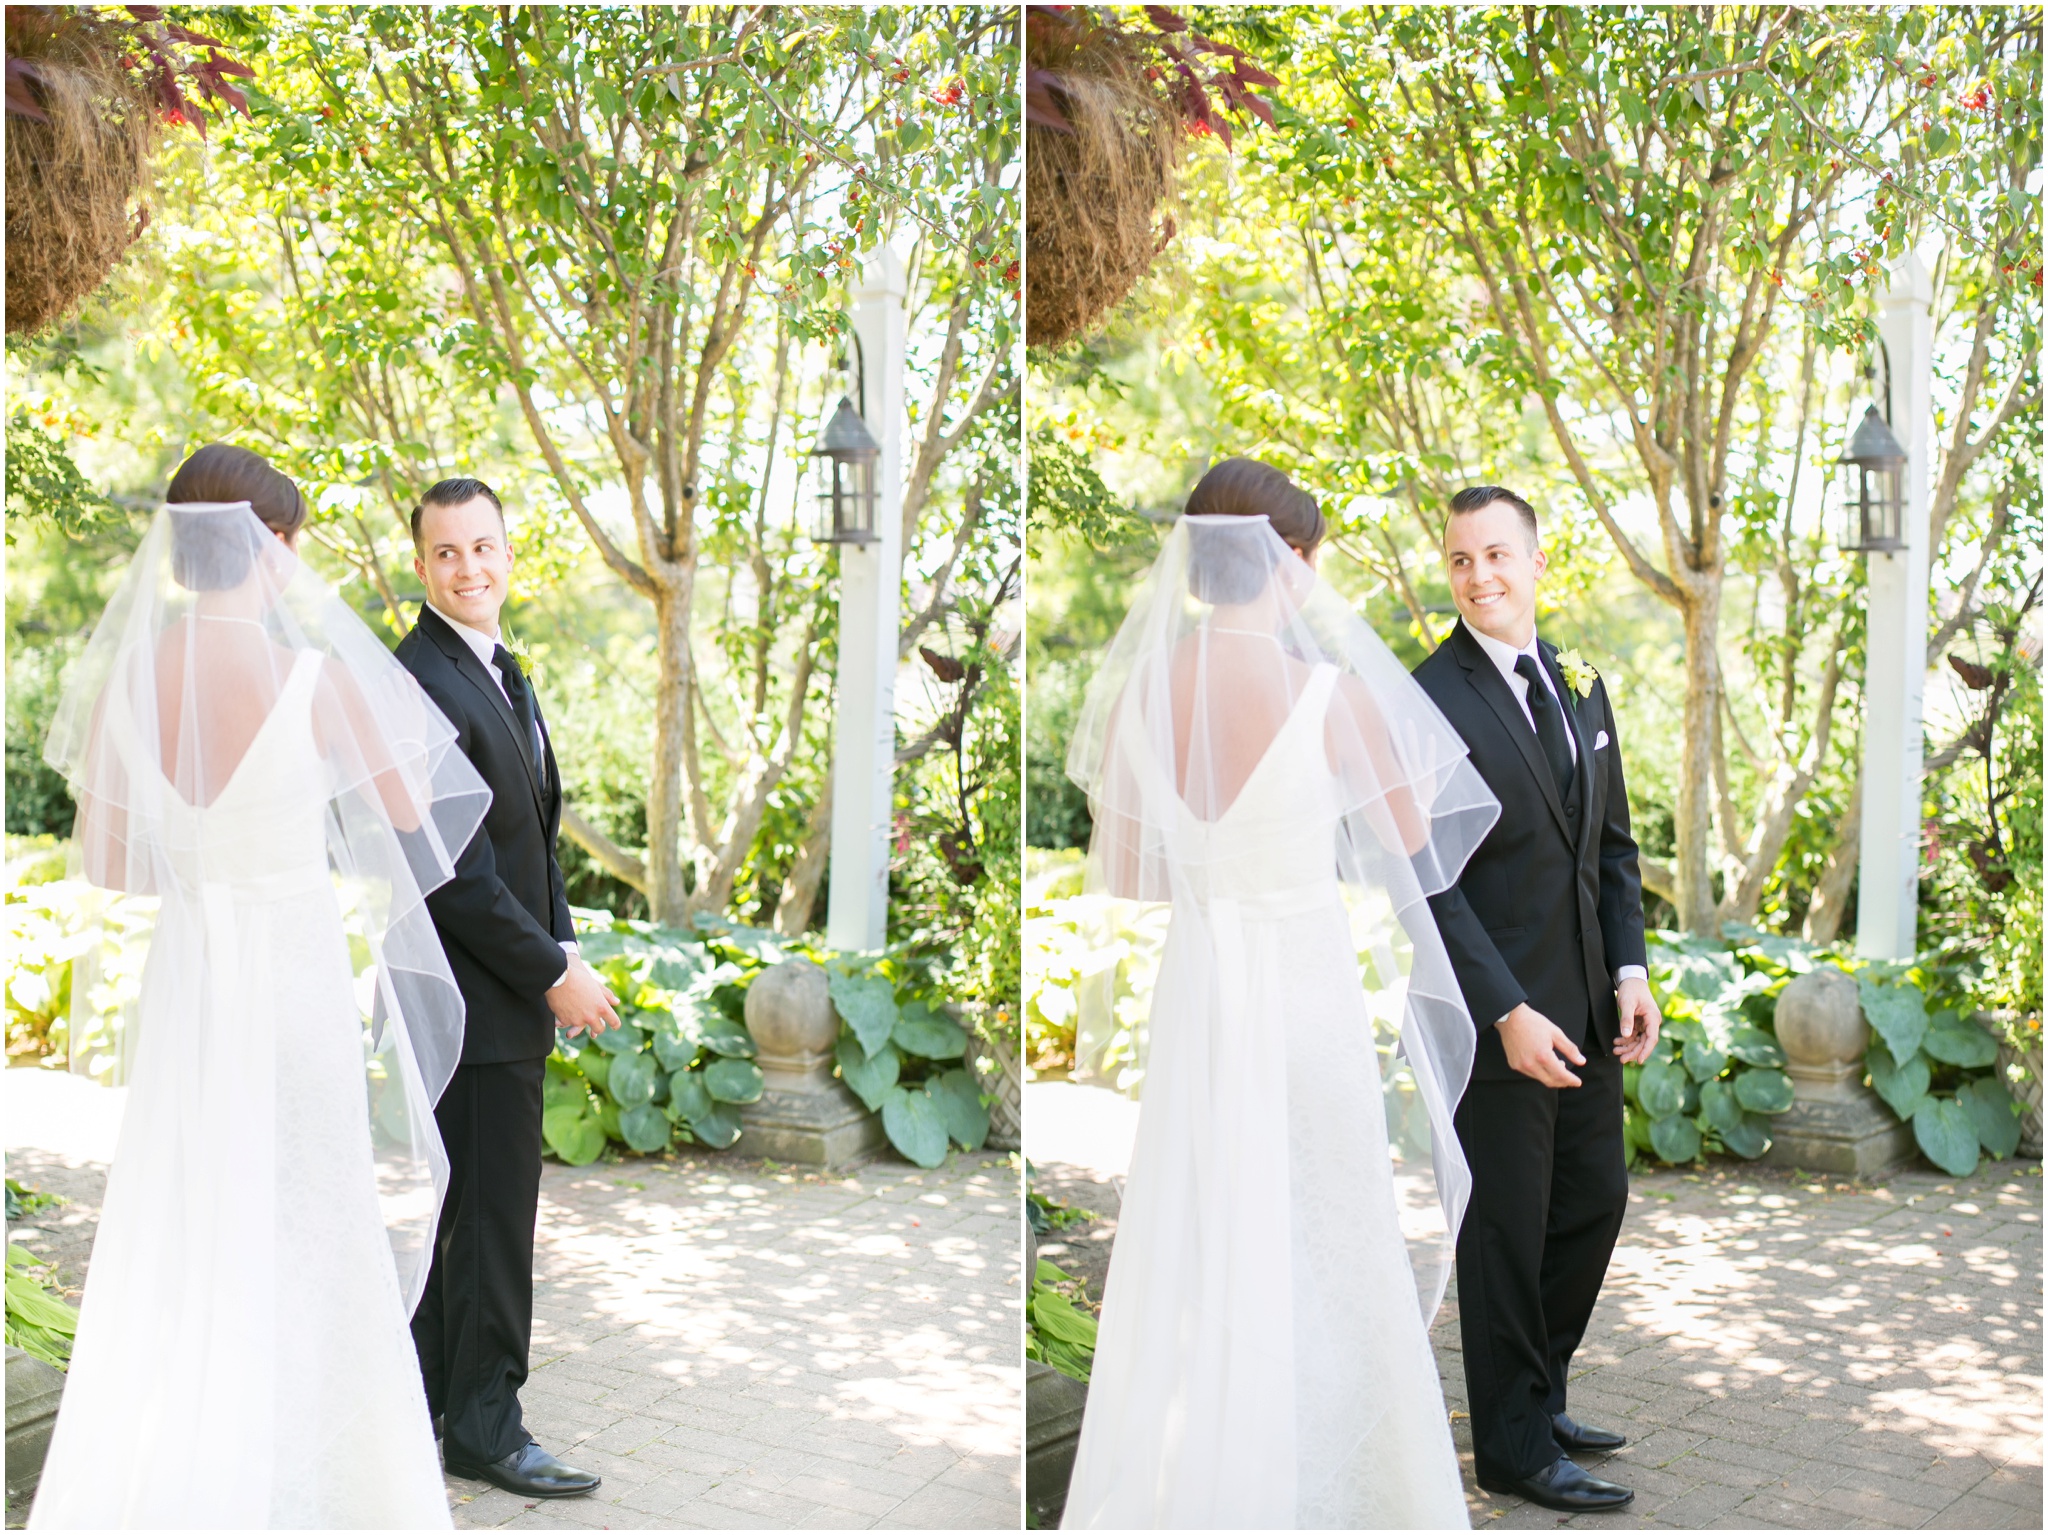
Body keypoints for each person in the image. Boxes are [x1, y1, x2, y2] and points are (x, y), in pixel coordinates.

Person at [33, 445, 491, 1528]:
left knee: (189, 1201)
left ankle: (184, 1456)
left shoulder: (128, 680)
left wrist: (204, 867)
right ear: (271, 544)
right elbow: (412, 819)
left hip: (192, 973)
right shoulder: (316, 680)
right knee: (308, 1201)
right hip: (288, 972)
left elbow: (106, 862)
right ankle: (314, 1476)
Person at [1058, 458, 1501, 1529]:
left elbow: (1127, 870)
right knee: (1325, 1220)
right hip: (1300, 985)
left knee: (1202, 1218)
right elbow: (1404, 838)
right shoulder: (1332, 694)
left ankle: (1201, 1470)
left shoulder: (1141, 693)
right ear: (1287, 558)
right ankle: (1329, 1484)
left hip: (1201, 987)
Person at [1411, 486, 1660, 1514]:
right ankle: (1510, 1446)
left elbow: (1609, 843)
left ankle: (1536, 1389)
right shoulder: (1421, 694)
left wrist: (1630, 968)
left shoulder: (1583, 678)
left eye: (1496, 553)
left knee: (1590, 1203)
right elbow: (1426, 874)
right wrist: (1503, 1008)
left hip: (1590, 1005)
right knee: (1504, 1229)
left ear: (1536, 559)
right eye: (1461, 559)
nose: (1479, 575)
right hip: (1498, 1012)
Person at [394, 477, 619, 1499]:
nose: (468, 567)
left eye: (482, 546)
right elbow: (456, 872)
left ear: (508, 550)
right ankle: (487, 1427)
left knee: (471, 1219)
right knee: (490, 1224)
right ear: (421, 563)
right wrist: (548, 973)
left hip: (510, 992)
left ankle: (432, 1403)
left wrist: (565, 954)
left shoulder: (492, 664)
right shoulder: (417, 679)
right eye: (447, 552)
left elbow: (531, 835)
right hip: (472, 998)